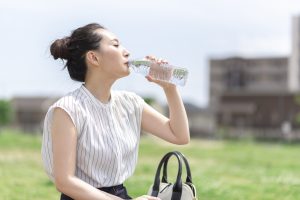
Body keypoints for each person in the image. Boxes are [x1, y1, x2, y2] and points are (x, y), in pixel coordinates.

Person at [41, 23, 190, 200]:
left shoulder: (130, 103)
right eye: (115, 45)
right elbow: (65, 182)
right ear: (93, 58)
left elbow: (179, 136)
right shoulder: (67, 109)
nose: (126, 52)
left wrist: (170, 88)